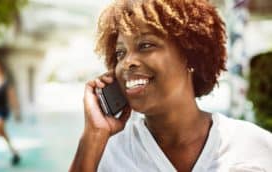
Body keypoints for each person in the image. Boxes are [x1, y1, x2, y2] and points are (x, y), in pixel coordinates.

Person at [69, 0, 272, 171]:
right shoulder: (106, 154)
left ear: (190, 54)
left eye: (146, 45)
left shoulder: (255, 147)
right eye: (120, 53)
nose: (127, 62)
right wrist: (93, 135)